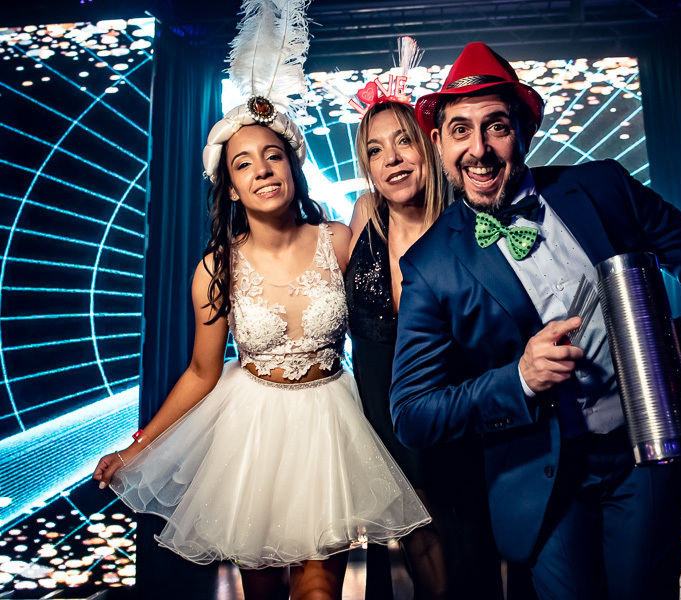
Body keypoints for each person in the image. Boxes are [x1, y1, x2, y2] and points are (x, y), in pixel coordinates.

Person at [389, 42, 681, 600]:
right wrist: (519, 380)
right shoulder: (431, 265)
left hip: (645, 456)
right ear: (438, 143)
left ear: (525, 131)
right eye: (460, 130)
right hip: (540, 480)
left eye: (497, 126)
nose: (479, 149)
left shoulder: (603, 188)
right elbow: (412, 414)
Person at [92, 103, 430, 600]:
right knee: (264, 589)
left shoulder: (338, 241)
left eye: (273, 156)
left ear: (293, 167)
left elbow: (391, 313)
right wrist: (138, 444)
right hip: (253, 437)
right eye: (244, 163)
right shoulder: (216, 269)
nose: (263, 170)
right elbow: (200, 373)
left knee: (319, 591)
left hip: (330, 429)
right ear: (230, 187)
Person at [346, 99, 505, 599]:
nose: (391, 159)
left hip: (450, 404)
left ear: (430, 147)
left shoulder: (463, 221)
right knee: (417, 538)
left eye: (404, 141)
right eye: (376, 150)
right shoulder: (364, 214)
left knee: (465, 543)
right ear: (367, 166)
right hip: (381, 408)